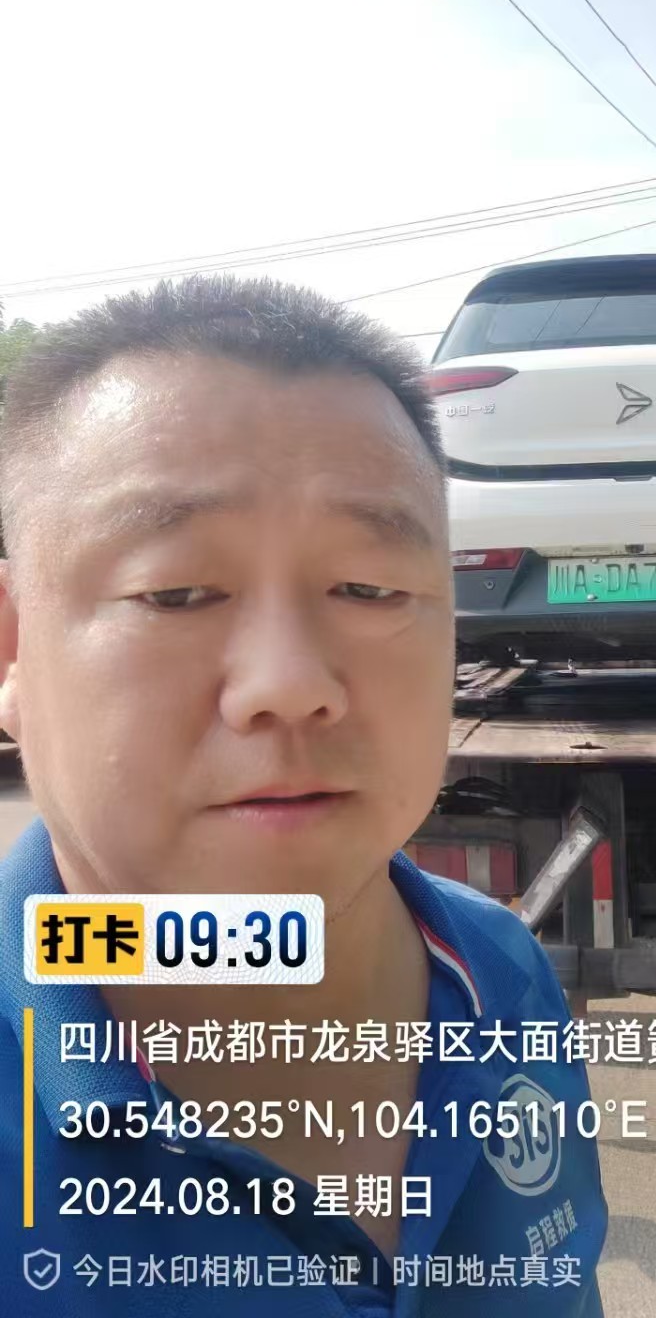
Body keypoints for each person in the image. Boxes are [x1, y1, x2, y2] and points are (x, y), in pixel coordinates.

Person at [0, 274, 608, 1313]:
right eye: (176, 592)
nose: (288, 684)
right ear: (13, 646)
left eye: (369, 589)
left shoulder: (497, 970)